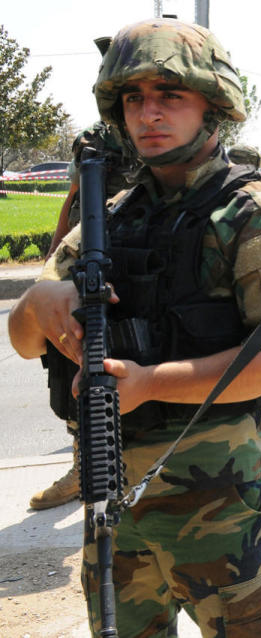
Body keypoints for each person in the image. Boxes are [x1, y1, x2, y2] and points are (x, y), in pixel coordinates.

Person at [8, 18, 261, 635]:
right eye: (133, 99)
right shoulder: (110, 218)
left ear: (213, 105)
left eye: (169, 96)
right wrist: (38, 304)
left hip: (220, 507)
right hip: (114, 502)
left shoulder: (253, 213)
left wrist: (149, 382)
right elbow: (22, 341)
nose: (148, 113)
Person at [30, 119, 136, 511]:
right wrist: (57, 248)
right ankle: (81, 467)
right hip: (83, 255)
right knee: (73, 360)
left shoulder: (156, 130)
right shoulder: (93, 139)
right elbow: (75, 194)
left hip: (134, 255)